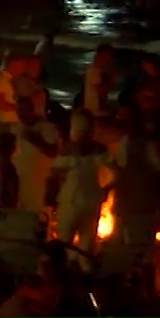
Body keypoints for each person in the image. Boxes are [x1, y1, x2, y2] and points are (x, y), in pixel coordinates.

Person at [108, 115, 160, 294]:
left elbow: (156, 171)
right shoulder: (131, 144)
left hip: (138, 204)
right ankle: (134, 286)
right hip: (132, 204)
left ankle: (141, 286)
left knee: (139, 247)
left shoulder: (143, 145)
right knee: (133, 247)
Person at [51, 111, 109, 270]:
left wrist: (49, 200)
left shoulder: (67, 151)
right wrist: (106, 190)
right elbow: (115, 172)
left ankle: (62, 278)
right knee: (86, 247)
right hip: (91, 201)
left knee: (64, 244)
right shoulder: (99, 150)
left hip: (71, 202)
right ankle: (84, 278)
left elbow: (53, 175)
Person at [11, 96, 59, 219]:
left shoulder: (47, 128)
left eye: (24, 110)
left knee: (38, 217)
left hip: (39, 182)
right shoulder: (15, 128)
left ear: (32, 110)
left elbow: (54, 152)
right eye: (19, 110)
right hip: (20, 181)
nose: (22, 114)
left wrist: (35, 140)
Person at [83, 44, 115, 118]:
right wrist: (111, 79)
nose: (110, 58)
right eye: (109, 55)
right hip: (95, 110)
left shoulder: (94, 68)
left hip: (93, 108)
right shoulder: (95, 70)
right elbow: (99, 90)